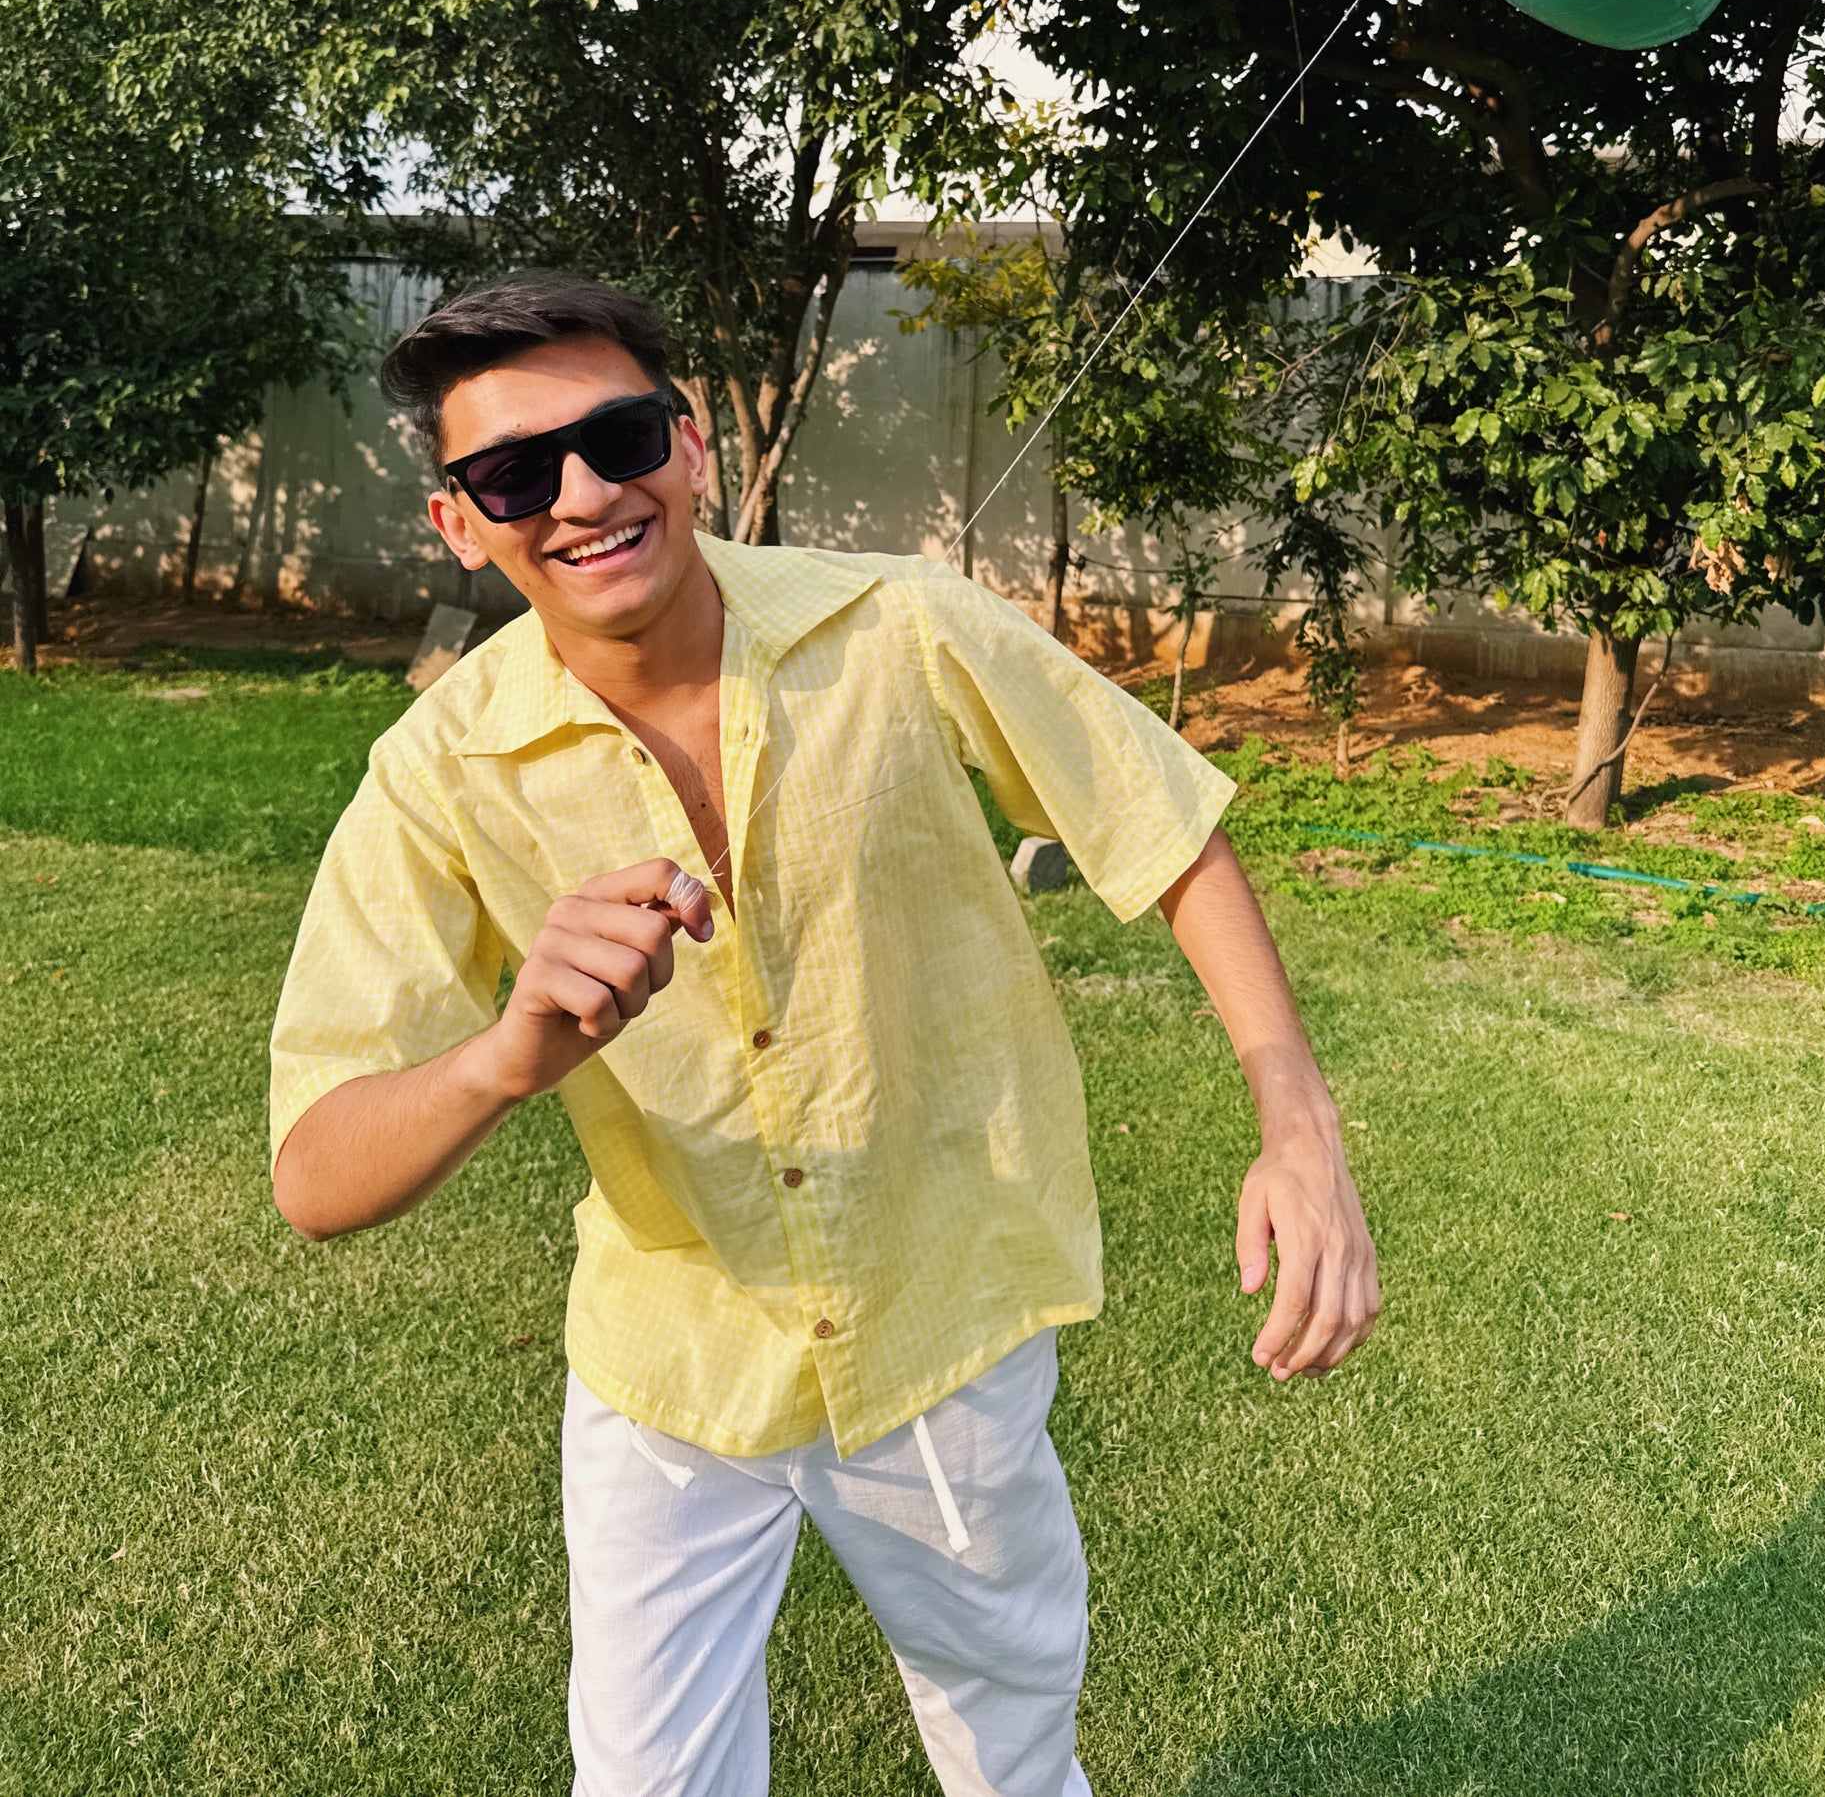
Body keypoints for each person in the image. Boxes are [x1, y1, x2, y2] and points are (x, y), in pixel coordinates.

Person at [270, 269, 1381, 1797]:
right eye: (515, 474)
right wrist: (508, 1053)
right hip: (670, 1364)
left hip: (941, 1320)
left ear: (690, 446)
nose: (583, 496)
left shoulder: (901, 625)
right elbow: (316, 1176)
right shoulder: (436, 772)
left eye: (617, 438)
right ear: (461, 524)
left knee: (1011, 1743)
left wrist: (1297, 1126)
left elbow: (1159, 825)